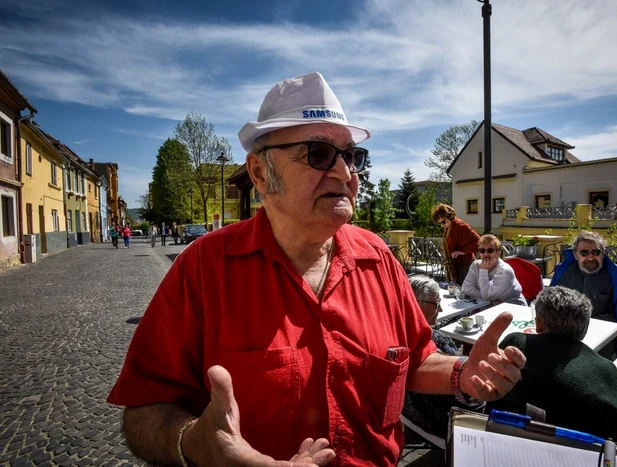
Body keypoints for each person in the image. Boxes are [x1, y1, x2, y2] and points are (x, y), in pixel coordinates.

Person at [106, 71, 525, 466]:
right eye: (320, 153)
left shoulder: (378, 258)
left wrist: (461, 373)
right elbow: (143, 410)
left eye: (352, 155)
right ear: (260, 173)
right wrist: (195, 443)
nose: (345, 172)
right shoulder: (202, 268)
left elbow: (414, 360)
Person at [487, 287, 617, 466]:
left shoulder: (517, 344)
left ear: (539, 324)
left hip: (505, 448)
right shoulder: (607, 371)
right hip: (583, 456)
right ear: (584, 328)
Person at [402, 275, 483, 439]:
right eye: (437, 304)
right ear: (416, 304)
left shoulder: (392, 338)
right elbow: (461, 397)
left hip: (410, 415)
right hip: (448, 425)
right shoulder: (438, 341)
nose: (441, 310)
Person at [550, 231, 617, 351]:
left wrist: (584, 323)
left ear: (603, 254)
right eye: (584, 252)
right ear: (575, 255)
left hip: (604, 336)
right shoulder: (564, 273)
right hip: (566, 333)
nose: (590, 257)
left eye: (596, 252)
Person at [461, 234, 527, 306]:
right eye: (482, 250)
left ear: (498, 253)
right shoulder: (475, 265)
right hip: (491, 305)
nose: (485, 254)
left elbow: (487, 295)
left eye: (490, 250)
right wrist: (490, 300)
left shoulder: (505, 270)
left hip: (513, 306)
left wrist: (483, 270)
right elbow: (465, 288)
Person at [431, 203, 481, 284]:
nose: (442, 225)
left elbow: (479, 241)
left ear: (449, 216)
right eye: (440, 223)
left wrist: (462, 251)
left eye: (443, 222)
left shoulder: (461, 226)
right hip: (456, 264)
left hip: (465, 264)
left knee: (465, 289)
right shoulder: (449, 227)